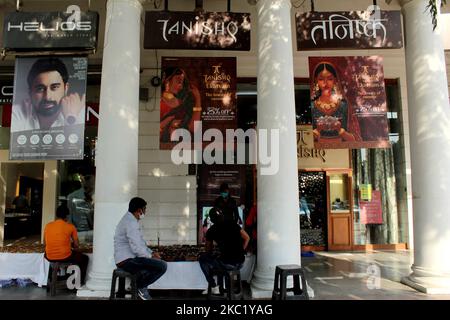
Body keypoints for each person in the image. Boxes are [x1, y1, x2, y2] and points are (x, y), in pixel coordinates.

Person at [11, 57, 85, 132]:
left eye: (55, 87)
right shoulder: (17, 113)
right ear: (30, 92)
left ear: (65, 88)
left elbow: (77, 141)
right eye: (40, 89)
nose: (47, 97)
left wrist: (71, 119)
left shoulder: (78, 113)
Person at [114, 197, 167, 300]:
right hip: (127, 261)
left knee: (152, 265)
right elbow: (137, 248)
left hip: (128, 259)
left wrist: (151, 253)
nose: (145, 212)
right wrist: (151, 256)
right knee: (162, 266)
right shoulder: (130, 223)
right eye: (145, 209)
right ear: (139, 210)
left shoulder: (130, 220)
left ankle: (137, 287)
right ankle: (140, 287)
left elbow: (141, 243)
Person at [198, 207, 250, 295]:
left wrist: (216, 251)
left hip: (227, 264)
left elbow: (208, 251)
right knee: (221, 258)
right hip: (241, 262)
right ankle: (222, 286)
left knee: (203, 258)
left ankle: (214, 286)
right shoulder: (233, 223)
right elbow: (247, 238)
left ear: (212, 219)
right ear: (222, 216)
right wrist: (241, 250)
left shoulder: (211, 230)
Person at [310, 62, 359, 143]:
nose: (325, 83)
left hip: (342, 150)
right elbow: (307, 139)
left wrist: (340, 130)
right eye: (321, 79)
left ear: (335, 80)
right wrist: (317, 130)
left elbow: (355, 140)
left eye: (330, 79)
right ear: (316, 81)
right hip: (318, 151)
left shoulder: (344, 105)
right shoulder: (312, 106)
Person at [43, 204, 89, 285]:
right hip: (65, 256)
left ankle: (60, 278)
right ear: (67, 216)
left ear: (57, 215)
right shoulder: (71, 227)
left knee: (72, 256)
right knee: (84, 258)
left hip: (49, 256)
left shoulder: (48, 225)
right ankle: (79, 282)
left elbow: (45, 243)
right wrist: (69, 244)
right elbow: (76, 245)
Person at [160, 67, 201, 143]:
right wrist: (166, 122)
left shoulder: (183, 104)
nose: (181, 84)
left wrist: (197, 98)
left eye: (182, 80)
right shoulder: (159, 102)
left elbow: (193, 128)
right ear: (167, 81)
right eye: (178, 79)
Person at [67, 174, 95, 243]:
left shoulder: (102, 196)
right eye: (83, 178)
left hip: (96, 237)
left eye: (88, 177)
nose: (85, 180)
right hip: (78, 236)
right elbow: (69, 220)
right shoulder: (72, 197)